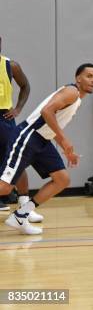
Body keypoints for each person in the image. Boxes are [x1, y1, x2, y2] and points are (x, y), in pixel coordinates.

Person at [0, 63, 93, 234]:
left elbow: (53, 126)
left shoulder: (77, 99)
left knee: (62, 179)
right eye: (89, 76)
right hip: (29, 136)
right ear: (78, 79)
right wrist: (64, 140)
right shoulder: (71, 92)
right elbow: (47, 112)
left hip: (43, 140)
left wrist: (67, 150)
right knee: (5, 187)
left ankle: (20, 216)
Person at [0, 37, 42, 223]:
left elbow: (25, 86)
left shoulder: (11, 66)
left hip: (4, 118)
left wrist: (18, 108)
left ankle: (25, 206)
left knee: (16, 161)